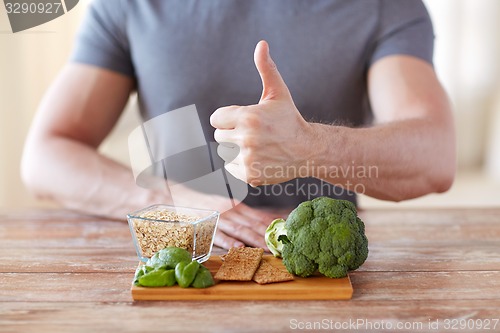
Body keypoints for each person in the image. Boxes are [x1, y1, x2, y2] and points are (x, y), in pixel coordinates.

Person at [21, 0, 455, 249]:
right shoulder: (126, 6)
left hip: (320, 268)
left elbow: (434, 155)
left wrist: (309, 147)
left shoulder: (385, 6)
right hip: (176, 260)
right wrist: (168, 199)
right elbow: (45, 155)